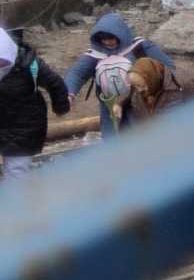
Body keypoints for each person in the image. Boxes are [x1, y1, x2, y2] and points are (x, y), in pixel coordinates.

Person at [64, 12, 177, 140]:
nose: (108, 41)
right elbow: (77, 73)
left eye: (111, 37)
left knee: (145, 135)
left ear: (120, 33)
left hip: (141, 100)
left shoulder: (139, 47)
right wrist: (69, 93)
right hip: (109, 103)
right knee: (113, 139)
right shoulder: (94, 55)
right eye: (103, 38)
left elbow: (168, 67)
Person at [0, 26, 70, 183]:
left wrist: (61, 106)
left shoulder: (29, 64)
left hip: (23, 125)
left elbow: (55, 83)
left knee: (16, 170)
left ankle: (17, 202)